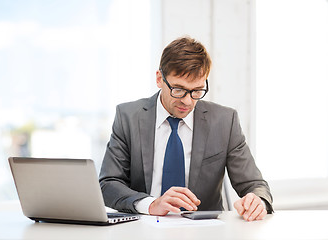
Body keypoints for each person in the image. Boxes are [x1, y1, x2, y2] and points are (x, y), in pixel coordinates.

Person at [99, 36, 273, 221]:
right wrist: (151, 204)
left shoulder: (224, 121)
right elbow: (109, 184)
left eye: (197, 90)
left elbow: (255, 185)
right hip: (143, 227)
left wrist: (257, 201)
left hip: (205, 231)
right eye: (179, 90)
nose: (188, 101)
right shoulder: (128, 117)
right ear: (159, 79)